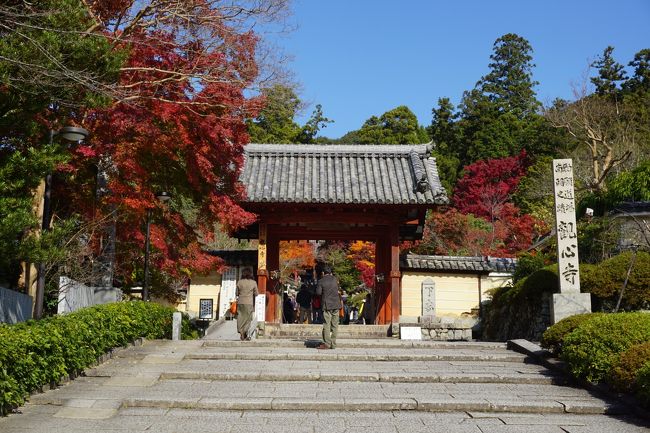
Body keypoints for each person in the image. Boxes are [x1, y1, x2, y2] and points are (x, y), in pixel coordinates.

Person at [315, 267, 340, 349]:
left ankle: (327, 343)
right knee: (335, 325)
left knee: (327, 324)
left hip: (327, 305)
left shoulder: (321, 281)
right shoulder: (335, 279)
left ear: (323, 273)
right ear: (330, 272)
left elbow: (318, 293)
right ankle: (333, 344)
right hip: (336, 304)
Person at [236, 268, 258, 341]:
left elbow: (237, 293)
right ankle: (244, 331)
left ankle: (241, 331)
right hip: (249, 302)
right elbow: (256, 293)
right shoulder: (253, 282)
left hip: (240, 302)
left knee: (240, 317)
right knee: (248, 318)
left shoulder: (239, 282)